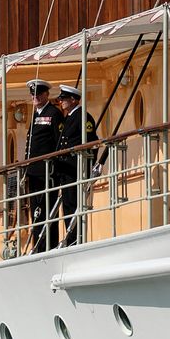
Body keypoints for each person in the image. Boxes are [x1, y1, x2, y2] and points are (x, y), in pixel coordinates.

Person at [52, 84, 97, 244]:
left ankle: (76, 239)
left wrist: (88, 167)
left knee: (74, 205)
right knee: (68, 206)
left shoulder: (83, 117)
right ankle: (71, 238)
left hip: (76, 169)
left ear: (73, 100)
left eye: (63, 99)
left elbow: (91, 142)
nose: (61, 102)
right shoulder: (69, 117)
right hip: (66, 170)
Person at [22, 78, 62, 251]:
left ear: (46, 94)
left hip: (47, 171)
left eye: (38, 94)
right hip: (34, 172)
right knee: (36, 211)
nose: (35, 97)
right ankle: (38, 245)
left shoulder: (53, 113)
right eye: (33, 94)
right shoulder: (36, 114)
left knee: (46, 209)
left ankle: (48, 246)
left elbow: (58, 141)